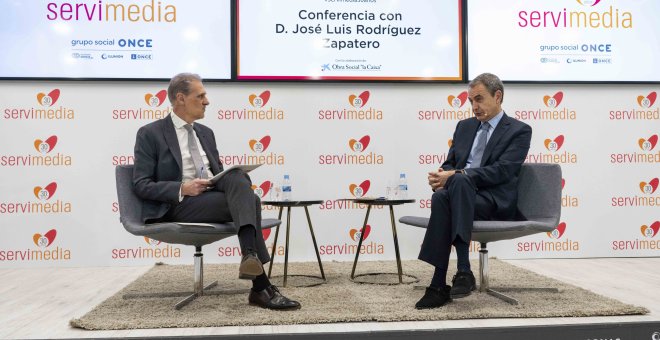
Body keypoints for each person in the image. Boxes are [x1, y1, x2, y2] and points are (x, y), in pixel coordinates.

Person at [132, 73, 300, 310]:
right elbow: (141, 184)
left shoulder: (205, 133)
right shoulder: (150, 133)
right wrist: (183, 187)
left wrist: (219, 179)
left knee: (237, 176)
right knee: (250, 200)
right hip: (179, 204)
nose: (206, 101)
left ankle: (253, 267)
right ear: (180, 98)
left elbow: (219, 174)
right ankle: (259, 285)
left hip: (210, 195)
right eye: (200, 96)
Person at [415, 73, 532, 309]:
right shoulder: (465, 126)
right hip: (461, 198)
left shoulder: (519, 130)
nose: (474, 107)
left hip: (493, 201)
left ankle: (449, 276)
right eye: (470, 101)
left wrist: (457, 176)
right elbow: (452, 162)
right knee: (442, 195)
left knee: (456, 184)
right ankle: (452, 277)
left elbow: (503, 171)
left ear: (497, 96)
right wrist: (442, 175)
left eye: (479, 99)